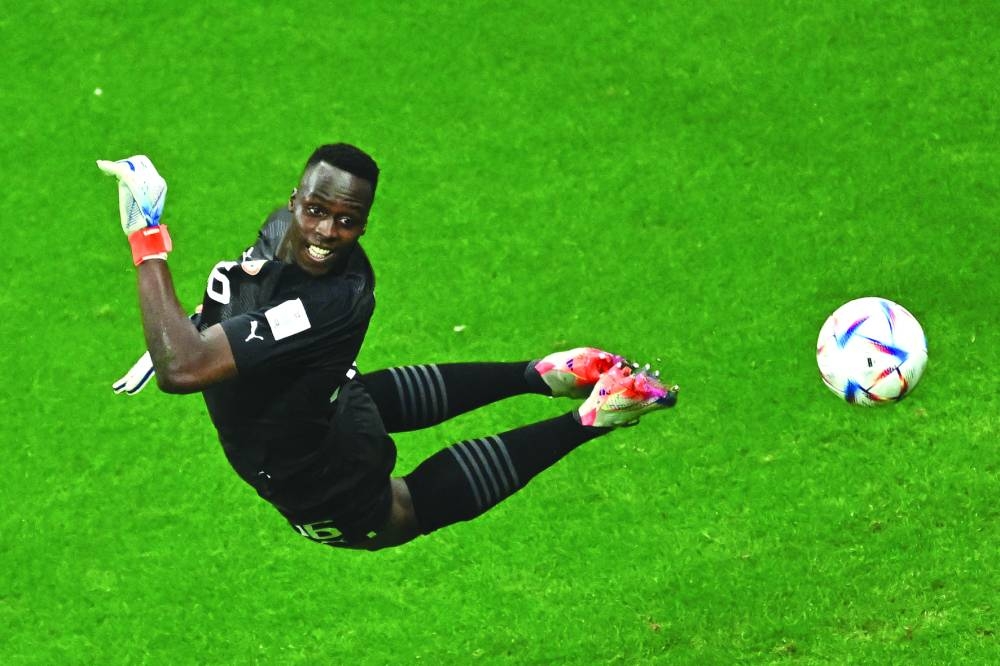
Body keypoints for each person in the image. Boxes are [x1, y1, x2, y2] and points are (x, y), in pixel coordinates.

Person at [98, 144, 679, 551]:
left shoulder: (328, 303)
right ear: (295, 198)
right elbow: (245, 299)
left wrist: (146, 239)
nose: (326, 232)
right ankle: (539, 375)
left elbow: (187, 370)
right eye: (317, 211)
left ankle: (593, 417)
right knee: (361, 398)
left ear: (365, 224)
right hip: (332, 405)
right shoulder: (281, 232)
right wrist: (187, 322)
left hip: (313, 469)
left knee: (402, 513)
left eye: (346, 222)